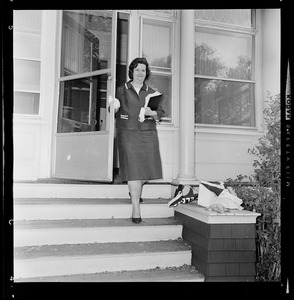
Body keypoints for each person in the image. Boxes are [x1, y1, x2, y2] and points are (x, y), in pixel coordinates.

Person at [109, 57, 165, 224]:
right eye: (137, 70)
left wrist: (151, 113)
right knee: (133, 169)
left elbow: (160, 112)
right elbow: (112, 108)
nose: (140, 73)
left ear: (146, 73)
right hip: (128, 132)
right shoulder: (121, 90)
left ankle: (135, 191)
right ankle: (135, 208)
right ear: (132, 72)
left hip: (148, 133)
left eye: (143, 70)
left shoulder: (152, 92)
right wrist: (115, 106)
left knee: (148, 168)